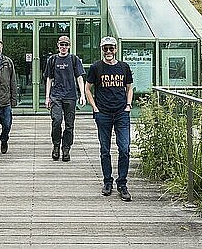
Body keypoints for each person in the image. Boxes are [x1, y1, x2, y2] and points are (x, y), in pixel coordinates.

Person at [85, 36, 134, 201]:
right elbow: (87, 88)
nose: (108, 51)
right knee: (105, 149)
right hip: (103, 113)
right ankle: (107, 181)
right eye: (105, 48)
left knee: (125, 148)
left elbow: (129, 87)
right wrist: (95, 107)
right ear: (102, 50)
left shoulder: (124, 67)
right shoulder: (96, 67)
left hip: (121, 113)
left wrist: (128, 105)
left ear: (116, 49)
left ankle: (122, 183)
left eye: (111, 48)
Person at [44, 35, 86, 162]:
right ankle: (56, 146)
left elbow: (79, 77)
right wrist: (47, 97)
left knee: (69, 125)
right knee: (56, 121)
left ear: (69, 46)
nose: (63, 47)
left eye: (66, 45)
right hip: (56, 96)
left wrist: (82, 95)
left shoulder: (74, 59)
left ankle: (66, 148)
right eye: (61, 44)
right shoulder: (52, 60)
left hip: (70, 96)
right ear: (58, 45)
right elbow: (49, 79)